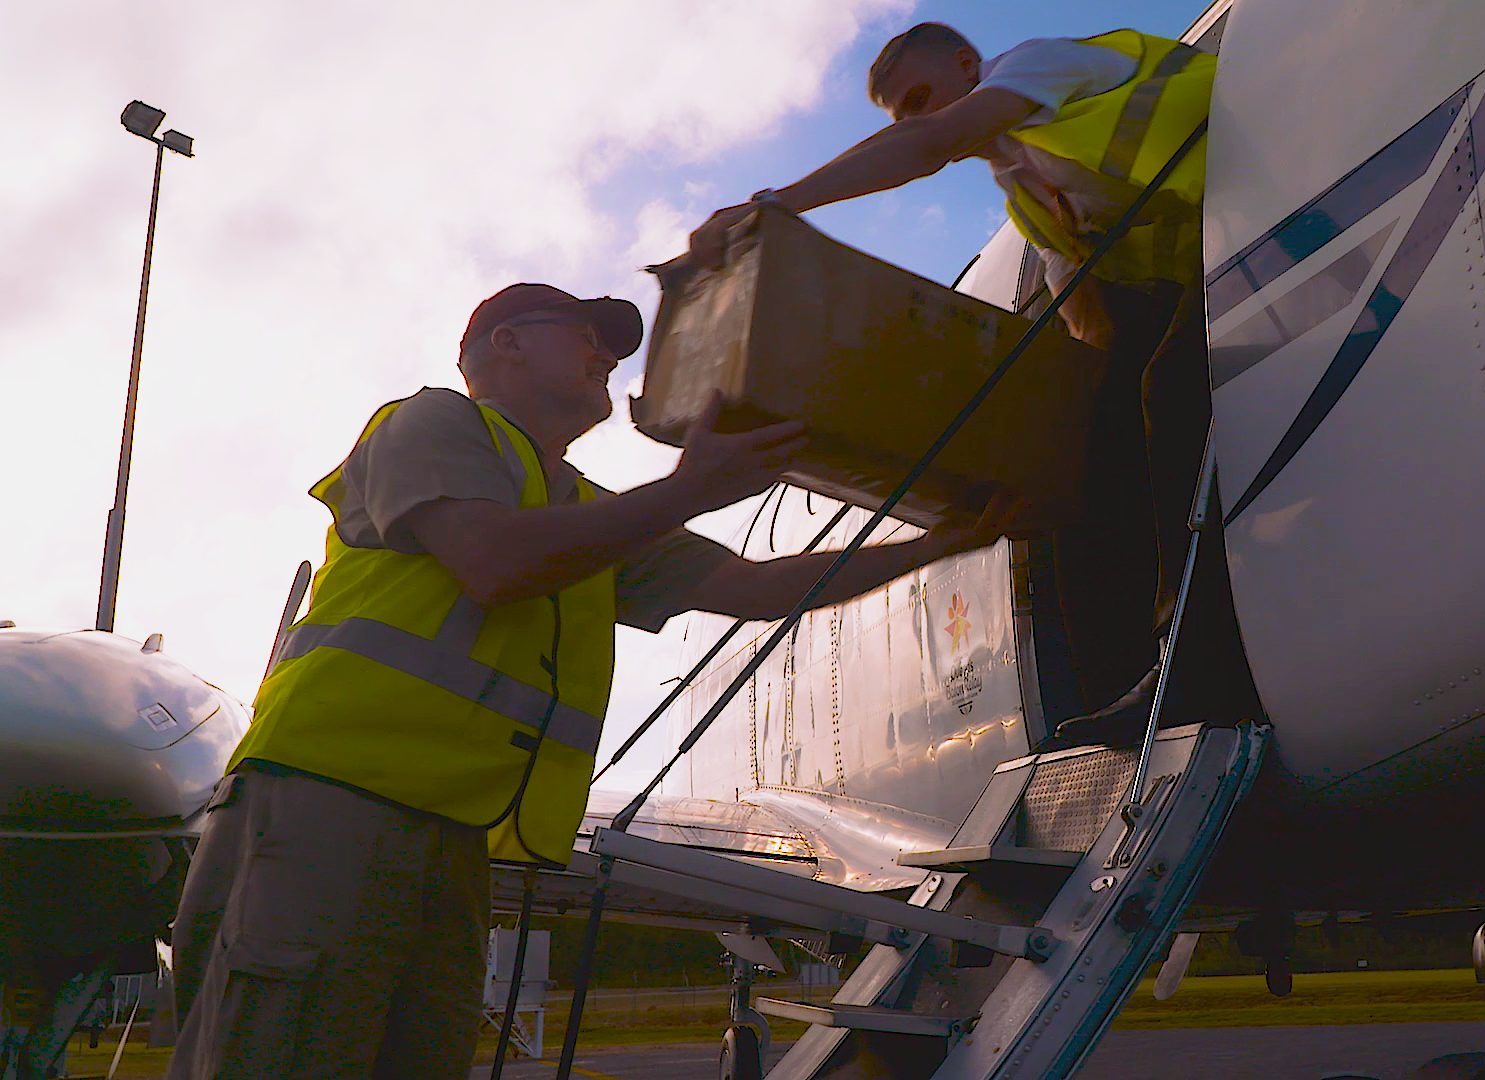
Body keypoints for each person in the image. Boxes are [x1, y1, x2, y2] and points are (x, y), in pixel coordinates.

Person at [165, 283, 1011, 1079]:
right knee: (280, 1049)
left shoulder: (585, 509)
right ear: (505, 344)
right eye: (585, 332)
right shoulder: (432, 422)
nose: (606, 352)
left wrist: (942, 544)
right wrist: (688, 489)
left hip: (455, 833)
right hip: (329, 804)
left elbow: (759, 589)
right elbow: (491, 562)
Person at [688, 22, 1259, 744]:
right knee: (1096, 442)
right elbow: (1092, 337)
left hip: (1263, 199)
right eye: (902, 114)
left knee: (1169, 393)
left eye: (923, 98)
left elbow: (927, 149)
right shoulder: (1031, 202)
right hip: (1215, 259)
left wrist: (777, 204)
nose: (921, 121)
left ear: (969, 64)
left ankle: (1199, 665)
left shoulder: (1040, 66)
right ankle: (1130, 675)